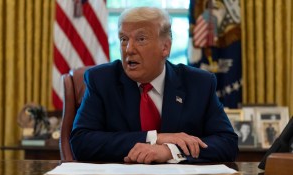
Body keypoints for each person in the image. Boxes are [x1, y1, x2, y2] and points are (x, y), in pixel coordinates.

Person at [70, 7, 238, 164]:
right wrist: (153, 138)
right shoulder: (101, 80)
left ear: (165, 47)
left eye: (141, 39)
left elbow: (227, 143)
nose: (129, 49)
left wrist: (170, 151)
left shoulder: (198, 83)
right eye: (124, 39)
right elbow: (81, 142)